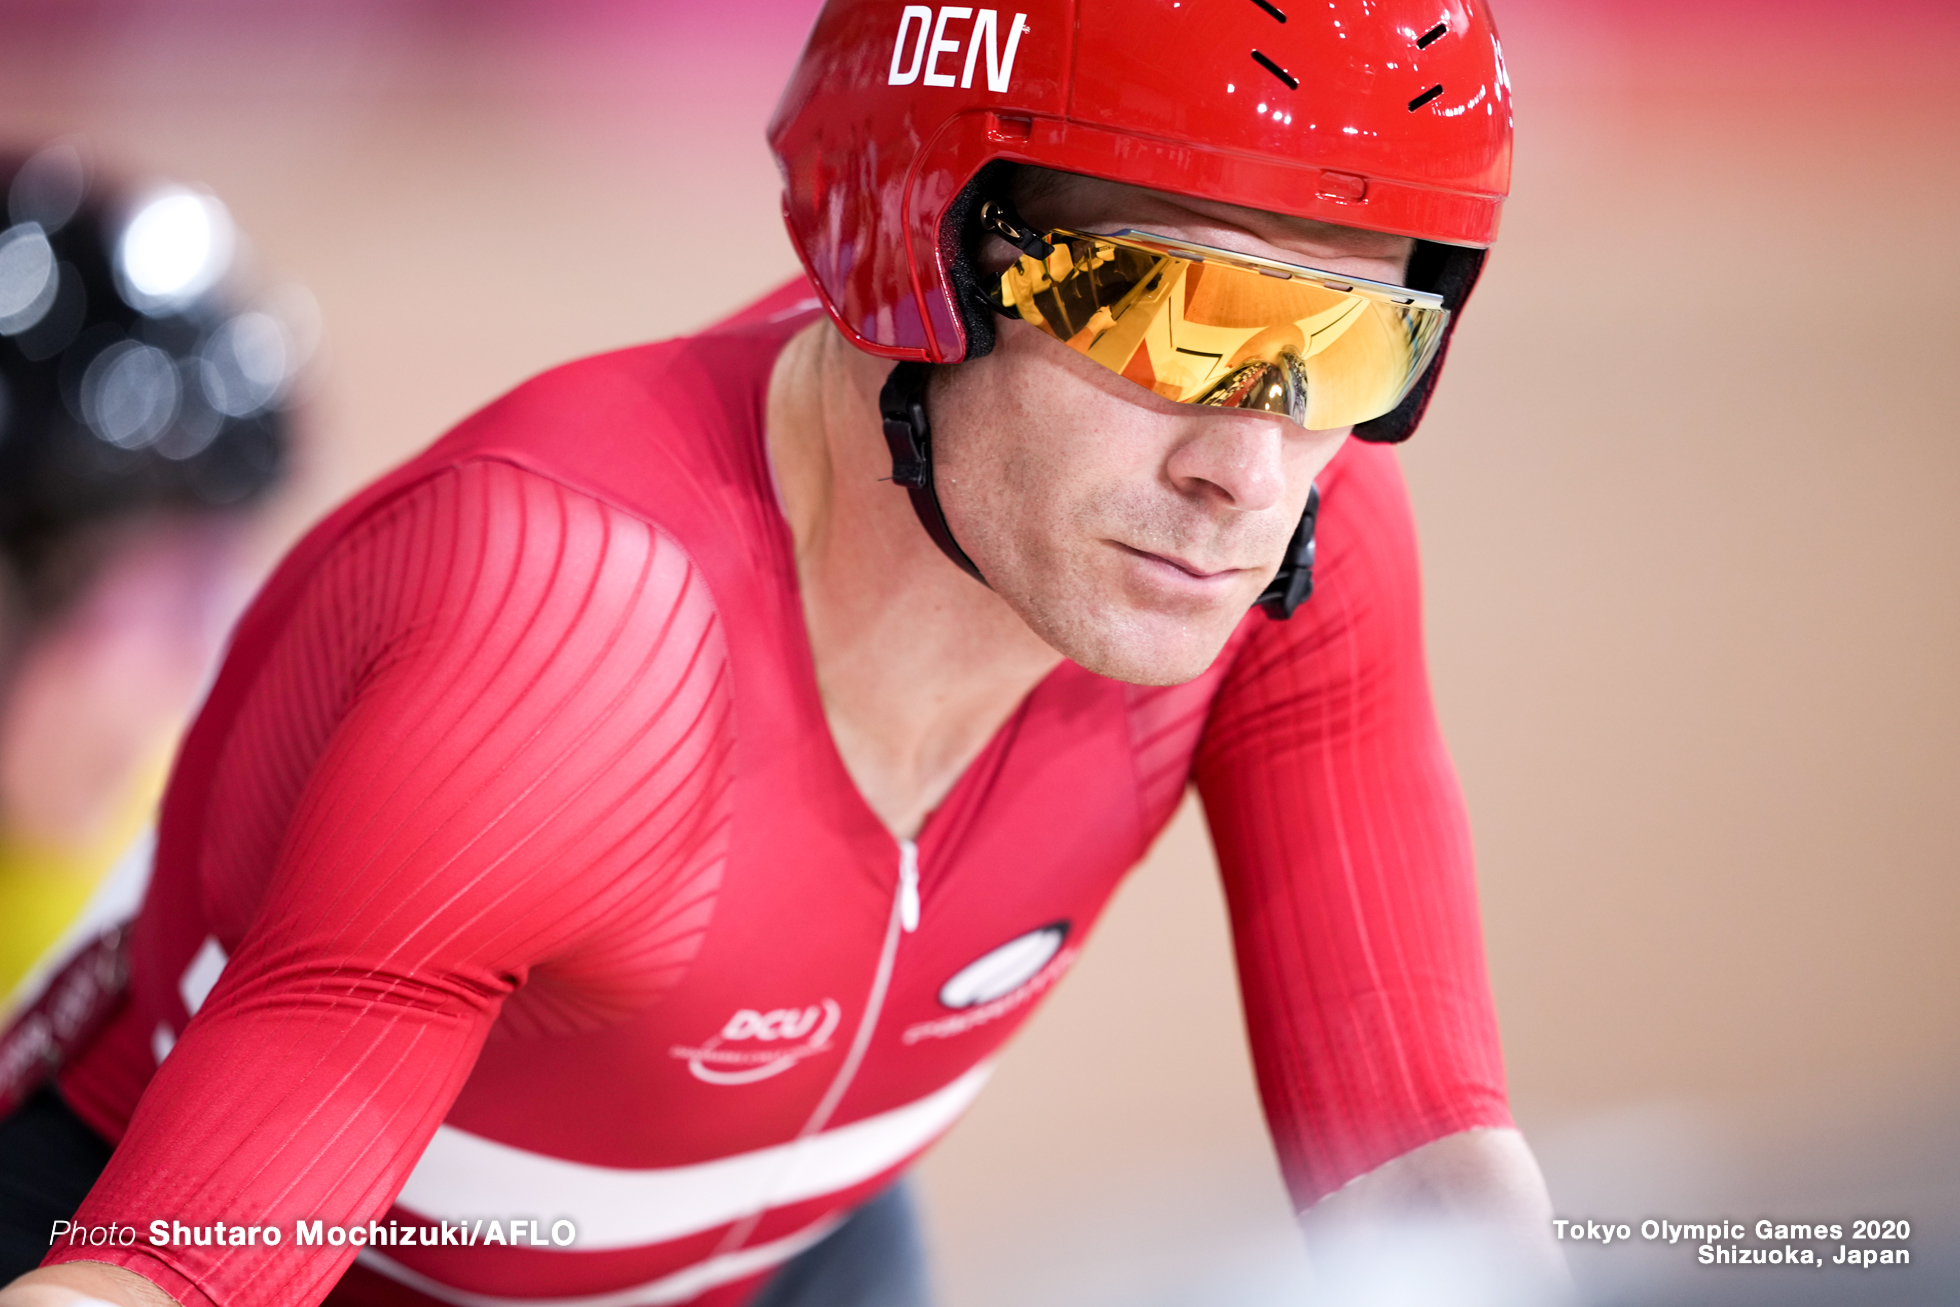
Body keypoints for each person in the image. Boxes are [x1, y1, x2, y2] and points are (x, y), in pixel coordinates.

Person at [2, 1, 1563, 1304]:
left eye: (1352, 343)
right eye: (1180, 320)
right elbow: (174, 1276)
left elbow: (1422, 1177)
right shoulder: (570, 634)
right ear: (922, 246)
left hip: (783, 1256)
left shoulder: (1307, 544)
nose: (1253, 471)